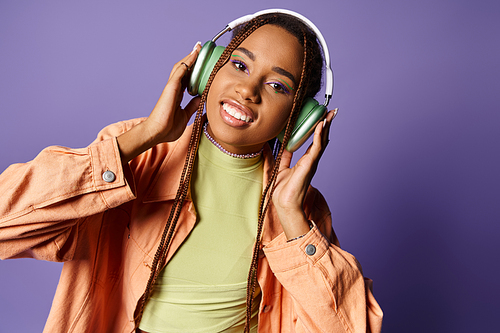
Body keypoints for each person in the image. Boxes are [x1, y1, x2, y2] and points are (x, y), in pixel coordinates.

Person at [0, 10, 382, 333]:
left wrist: (294, 221)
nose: (248, 89)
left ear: (298, 120)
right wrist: (145, 135)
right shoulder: (135, 155)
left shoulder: (298, 206)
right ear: (206, 69)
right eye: (239, 64)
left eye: (277, 85)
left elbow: (348, 325)